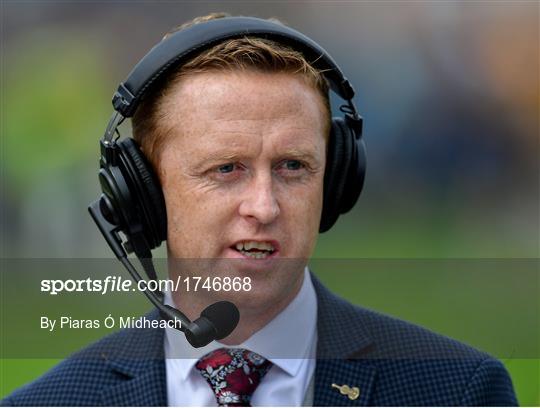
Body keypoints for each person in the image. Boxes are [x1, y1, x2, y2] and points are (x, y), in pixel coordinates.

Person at [2, 13, 517, 407]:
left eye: (293, 166)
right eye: (226, 168)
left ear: (335, 181)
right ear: (143, 192)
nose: (264, 206)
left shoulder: (460, 390)